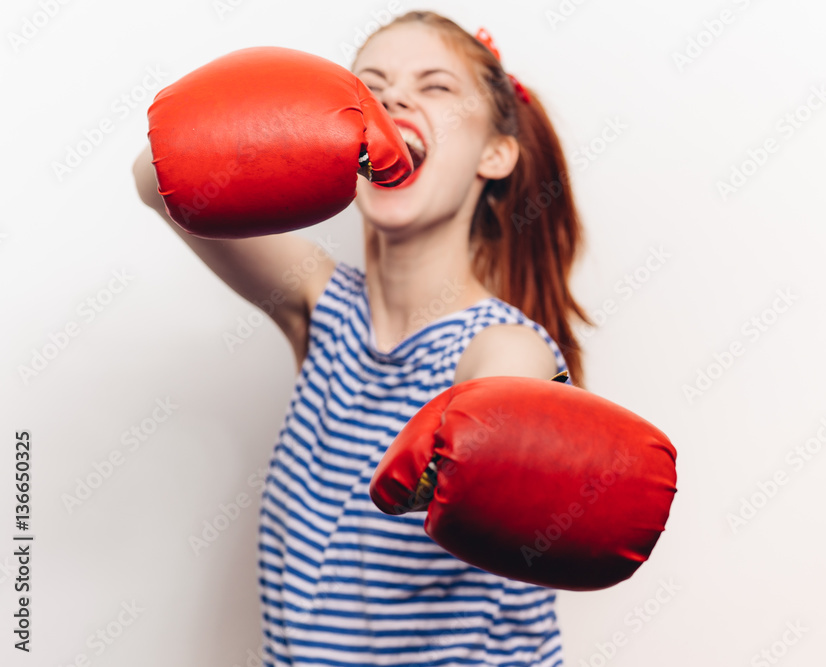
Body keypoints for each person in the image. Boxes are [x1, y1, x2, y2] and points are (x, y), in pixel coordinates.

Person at [134, 9, 591, 666]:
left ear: (495, 153)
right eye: (369, 89)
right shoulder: (323, 309)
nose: (395, 98)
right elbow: (158, 177)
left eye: (435, 86)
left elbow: (507, 387)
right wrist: (275, 124)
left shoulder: (500, 344)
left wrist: (476, 452)